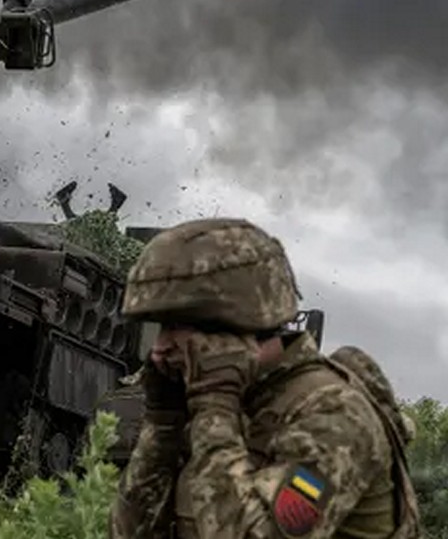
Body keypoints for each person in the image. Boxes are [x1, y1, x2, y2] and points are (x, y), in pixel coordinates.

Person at [108, 217, 421, 538]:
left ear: (234, 321)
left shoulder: (333, 415)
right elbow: (129, 533)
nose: (160, 346)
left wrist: (214, 407)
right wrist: (163, 427)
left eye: (175, 326)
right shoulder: (224, 401)